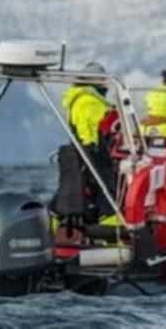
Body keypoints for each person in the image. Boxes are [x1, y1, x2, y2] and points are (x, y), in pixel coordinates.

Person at [58, 61, 116, 223]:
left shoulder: (82, 97)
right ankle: (111, 231)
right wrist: (92, 146)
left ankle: (57, 223)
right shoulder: (89, 100)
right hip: (94, 151)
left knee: (75, 190)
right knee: (106, 192)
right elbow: (88, 126)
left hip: (85, 150)